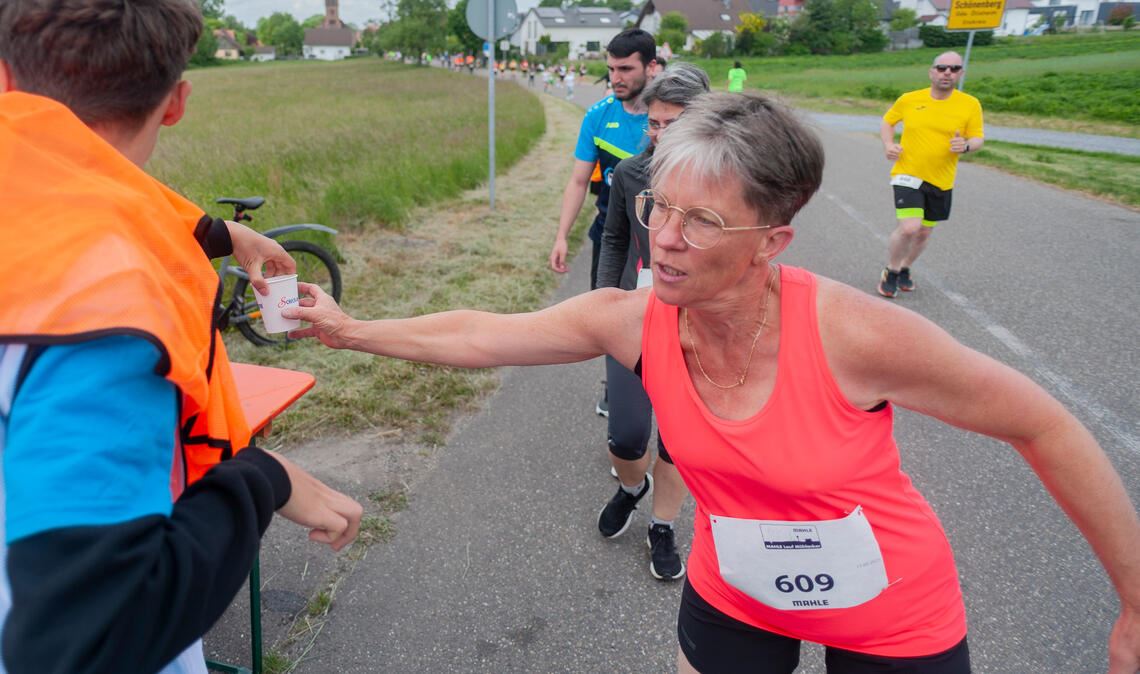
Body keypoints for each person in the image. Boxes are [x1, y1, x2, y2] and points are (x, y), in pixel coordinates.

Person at [283, 91, 1139, 674]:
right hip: (736, 589)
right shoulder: (634, 318)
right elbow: (480, 333)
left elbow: (1045, 426)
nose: (667, 238)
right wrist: (349, 329)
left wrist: (1133, 606)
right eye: (661, 207)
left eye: (704, 221)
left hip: (890, 604)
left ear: (772, 242)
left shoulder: (860, 335)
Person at [0, 1, 363, 671]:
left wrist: (217, 233)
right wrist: (261, 478)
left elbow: (71, 186)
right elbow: (85, 639)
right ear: (176, 103)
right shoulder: (102, 304)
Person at [594, 62, 711, 581]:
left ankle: (662, 526)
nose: (659, 134)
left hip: (700, 324)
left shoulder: (724, 180)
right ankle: (629, 487)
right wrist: (605, 301)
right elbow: (614, 238)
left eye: (673, 124)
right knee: (625, 435)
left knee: (679, 442)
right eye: (654, 123)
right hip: (636, 315)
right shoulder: (631, 173)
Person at [547, 28, 656, 416]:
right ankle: (618, 385)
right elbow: (579, 180)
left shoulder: (669, 117)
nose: (616, 78)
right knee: (611, 314)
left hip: (661, 240)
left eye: (626, 68)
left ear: (652, 67)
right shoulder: (598, 115)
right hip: (611, 235)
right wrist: (561, 235)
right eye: (611, 68)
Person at [877, 51, 983, 298]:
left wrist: (966, 146)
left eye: (954, 69)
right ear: (931, 71)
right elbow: (887, 122)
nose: (948, 72)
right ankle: (891, 271)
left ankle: (905, 267)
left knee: (924, 232)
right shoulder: (910, 99)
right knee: (909, 228)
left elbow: (978, 137)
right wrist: (888, 145)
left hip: (942, 179)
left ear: (961, 74)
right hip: (907, 174)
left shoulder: (969, 104)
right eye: (942, 67)